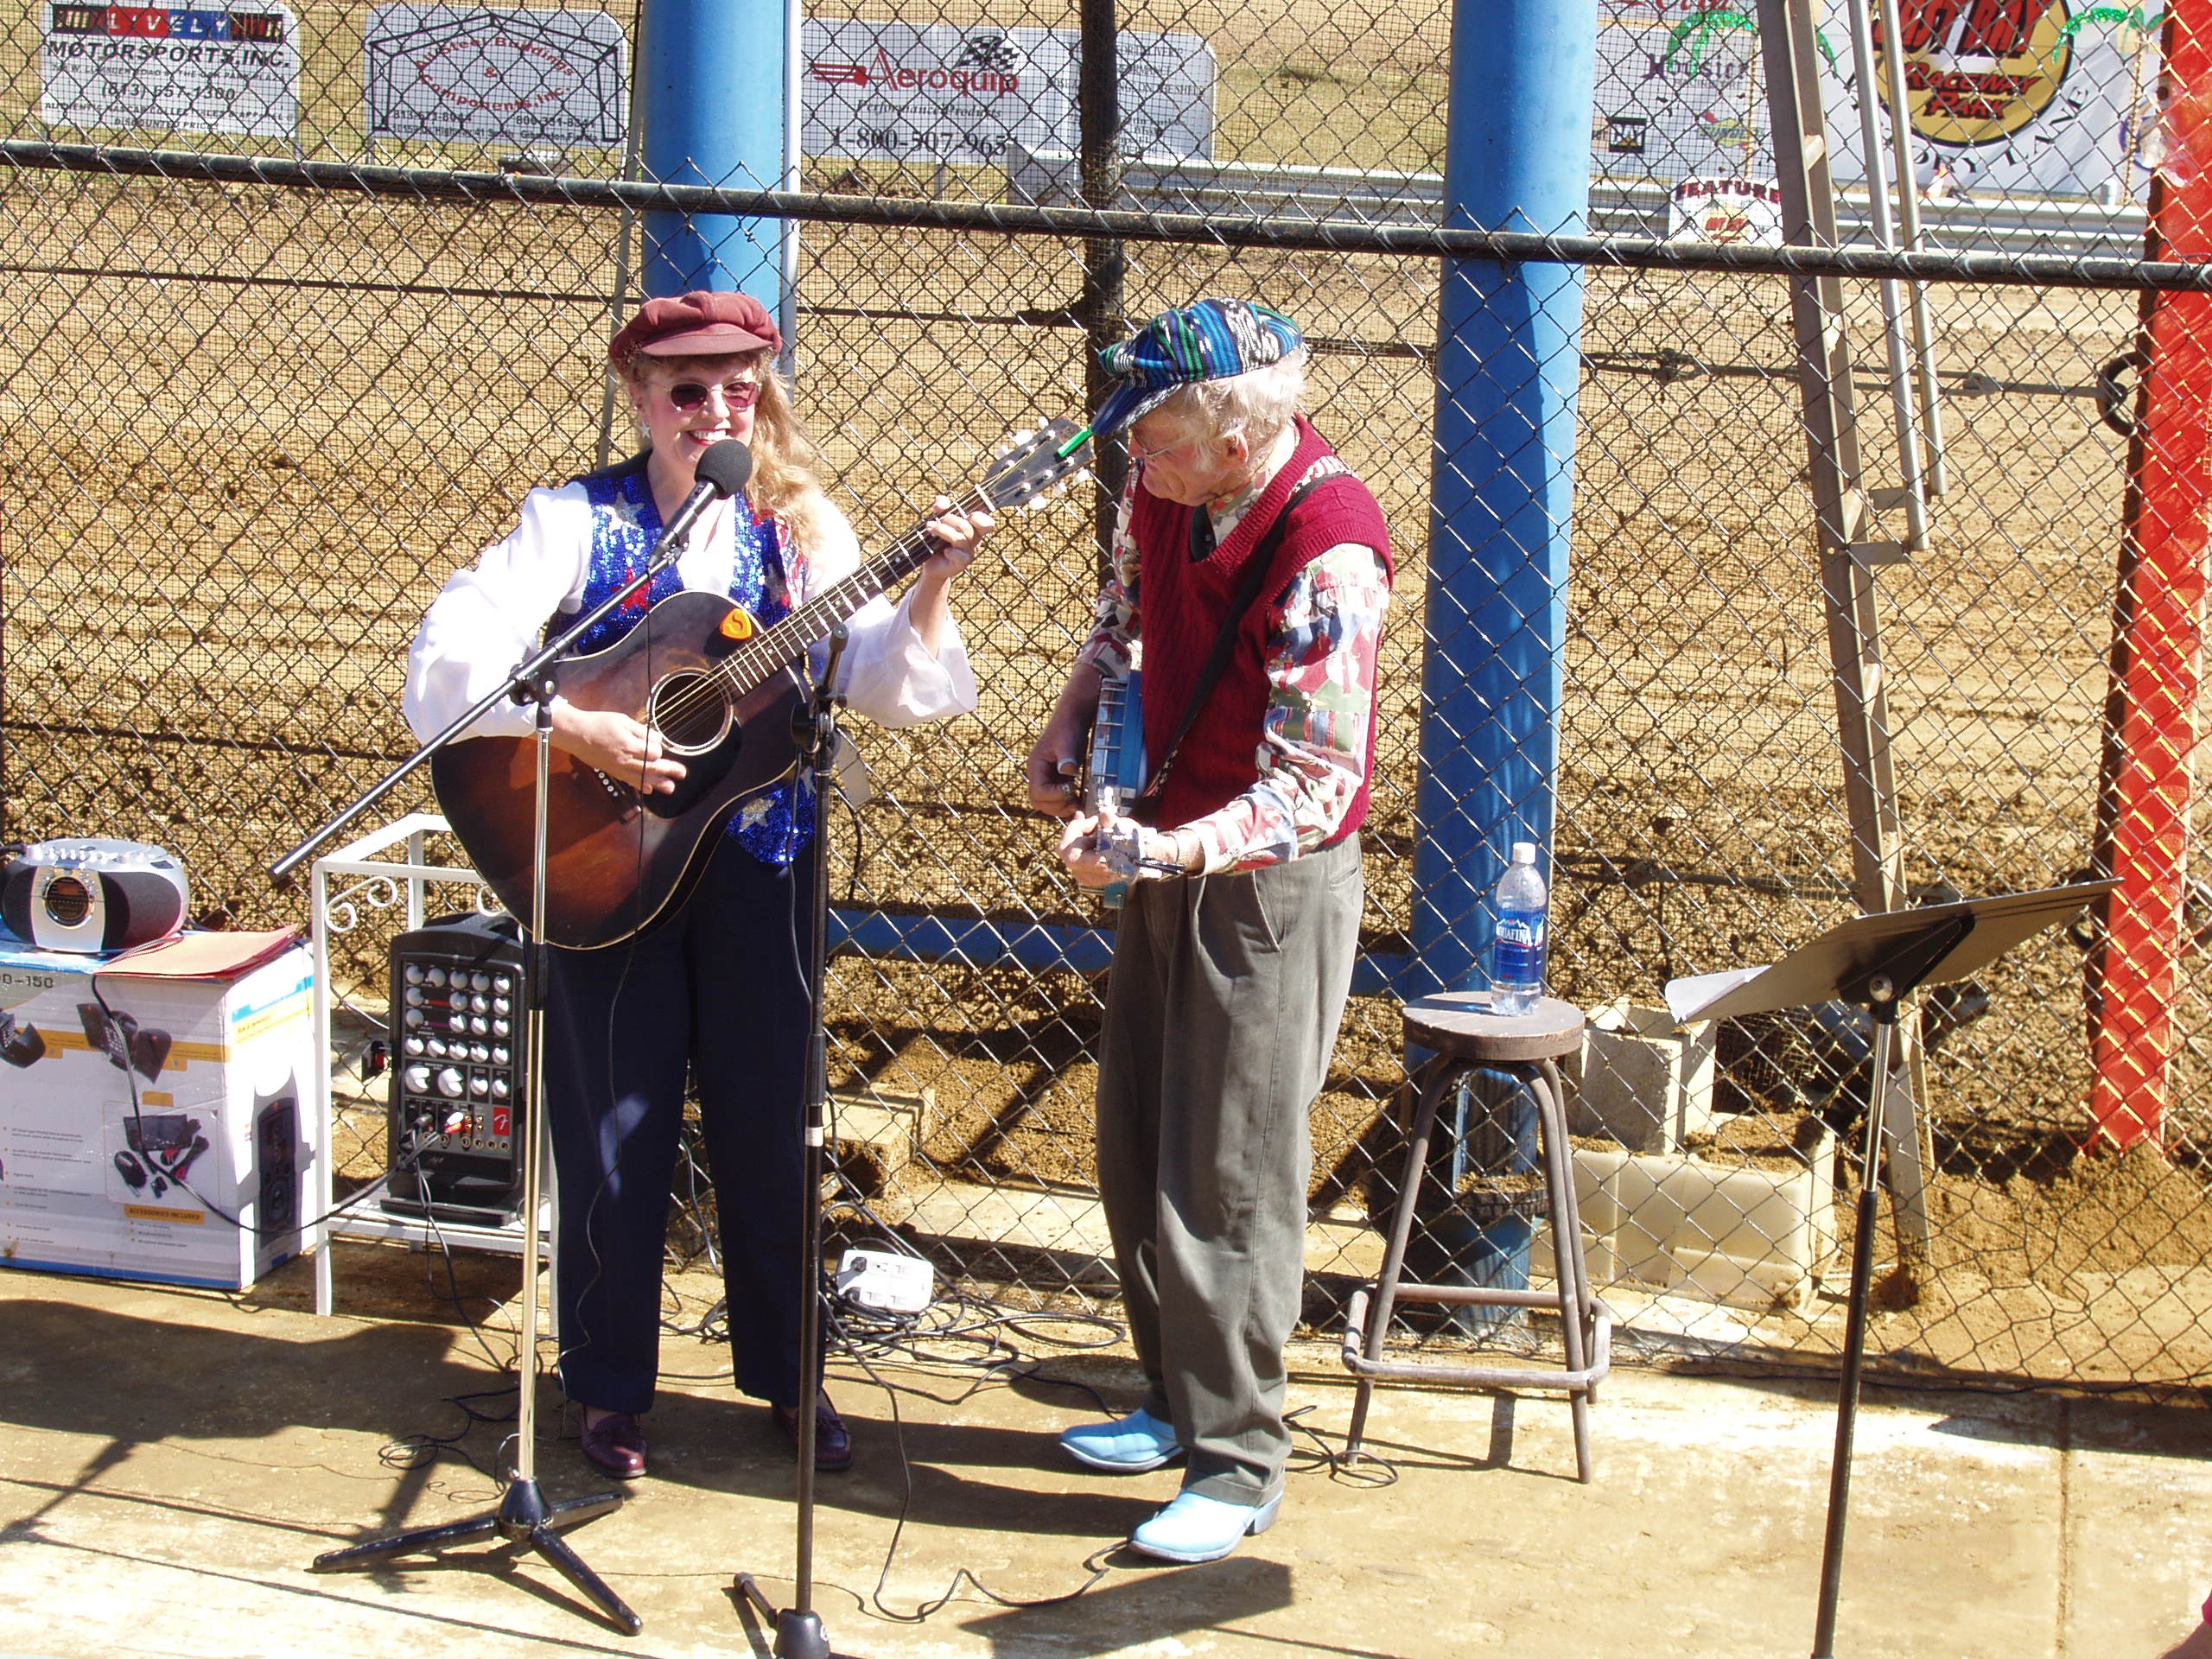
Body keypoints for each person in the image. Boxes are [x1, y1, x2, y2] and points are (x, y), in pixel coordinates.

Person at [403, 289, 988, 1479]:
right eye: (686, 389)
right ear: (638, 397)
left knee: (771, 1126)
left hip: (761, 867)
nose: (715, 409)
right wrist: (577, 727)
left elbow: (883, 680)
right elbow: (449, 657)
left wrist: (931, 582)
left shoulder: (804, 532)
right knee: (612, 1128)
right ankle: (607, 1386)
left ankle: (790, 1374)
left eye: (738, 387)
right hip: (604, 865)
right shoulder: (575, 520)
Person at [1020, 298, 1393, 1562]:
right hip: (1171, 839)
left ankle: (1240, 1457)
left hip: (1268, 883)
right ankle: (1174, 1399)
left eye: (1159, 439)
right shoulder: (1165, 488)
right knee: (1136, 1139)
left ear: (1239, 442)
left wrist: (1159, 850)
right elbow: (1128, 616)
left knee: (1229, 1171)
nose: (1136, 459)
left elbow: (1317, 787)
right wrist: (1074, 709)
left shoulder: (1330, 554)